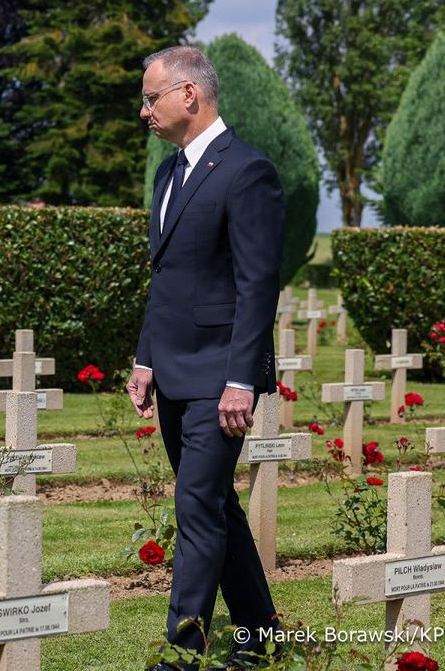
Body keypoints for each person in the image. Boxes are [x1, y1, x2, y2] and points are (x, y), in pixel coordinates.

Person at [128, 46, 284, 671]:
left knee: (194, 505)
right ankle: (259, 636)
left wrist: (242, 379)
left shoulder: (247, 171)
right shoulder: (168, 175)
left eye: (151, 97)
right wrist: (146, 358)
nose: (144, 111)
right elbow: (167, 277)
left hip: (221, 375)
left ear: (188, 94)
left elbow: (256, 285)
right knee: (214, 504)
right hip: (173, 372)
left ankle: (183, 650)